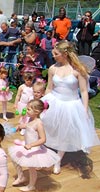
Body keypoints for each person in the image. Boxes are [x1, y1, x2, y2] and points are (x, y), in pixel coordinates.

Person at [41, 41, 100, 173]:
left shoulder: (78, 70)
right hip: (54, 101)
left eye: (56, 54)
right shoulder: (52, 68)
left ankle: (58, 159)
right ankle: (47, 151)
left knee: (64, 132)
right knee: (48, 127)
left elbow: (84, 91)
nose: (54, 56)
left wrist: (84, 110)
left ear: (64, 54)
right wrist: (44, 104)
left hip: (71, 104)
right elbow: (49, 88)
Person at [9, 99, 61, 192]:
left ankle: (31, 185)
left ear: (36, 112)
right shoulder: (31, 119)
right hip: (27, 145)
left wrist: (31, 145)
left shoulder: (39, 123)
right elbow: (29, 126)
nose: (26, 110)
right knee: (14, 158)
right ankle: (21, 177)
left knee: (31, 168)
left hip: (34, 149)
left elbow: (43, 139)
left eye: (28, 109)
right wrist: (20, 126)